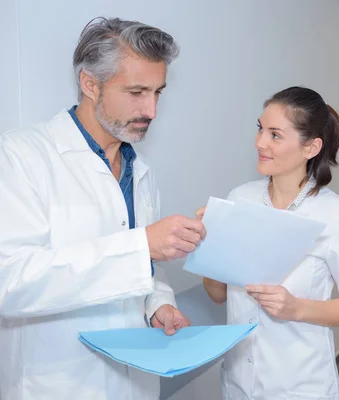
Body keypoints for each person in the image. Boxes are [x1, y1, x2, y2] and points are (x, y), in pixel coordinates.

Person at [0, 17, 206, 399]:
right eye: (137, 92)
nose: (152, 110)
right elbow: (9, 283)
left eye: (158, 92)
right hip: (58, 384)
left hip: (136, 381)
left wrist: (158, 302)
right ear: (90, 84)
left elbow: (144, 270)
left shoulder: (141, 172)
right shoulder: (20, 156)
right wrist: (141, 245)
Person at [198, 87, 339, 400]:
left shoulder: (337, 216)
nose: (260, 142)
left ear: (311, 147)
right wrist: (208, 246)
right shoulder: (240, 199)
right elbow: (218, 295)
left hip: (300, 385)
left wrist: (296, 308)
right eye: (260, 129)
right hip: (238, 382)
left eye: (275, 135)